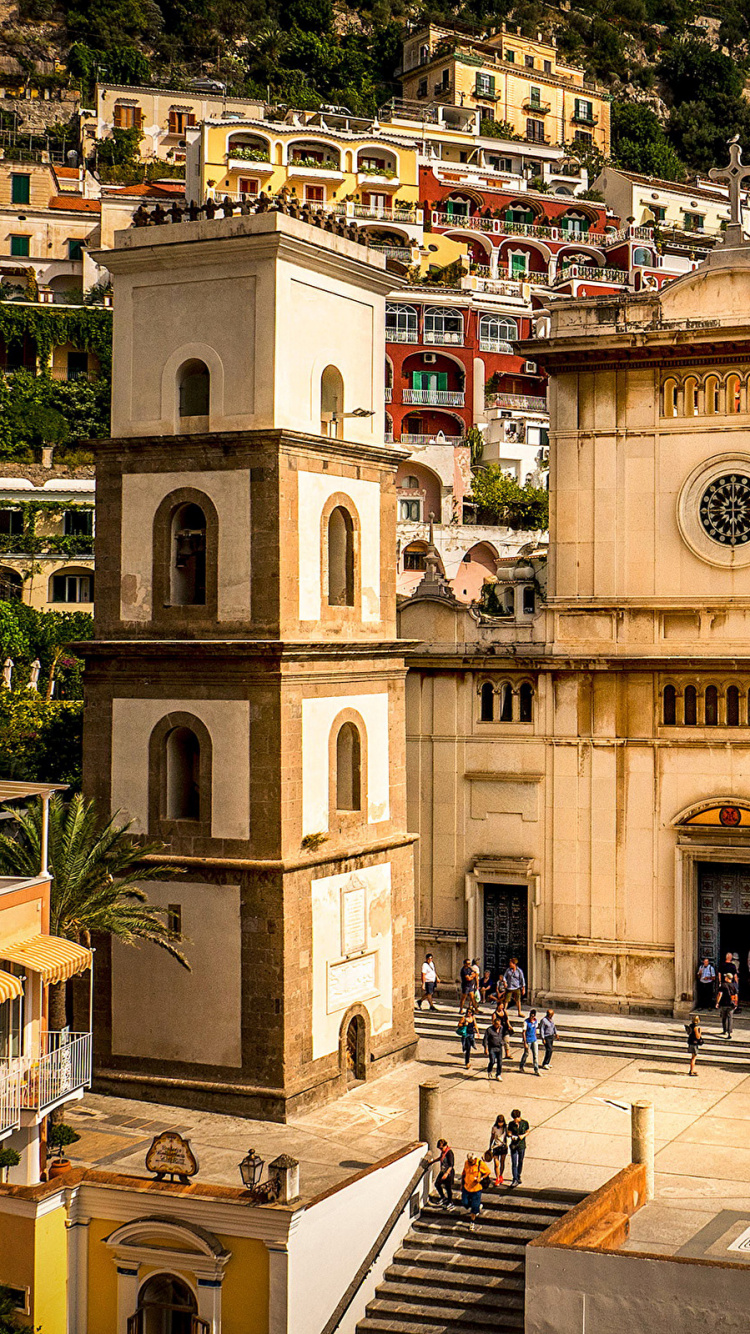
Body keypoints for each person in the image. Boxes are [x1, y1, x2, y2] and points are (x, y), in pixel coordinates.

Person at [461, 1152, 491, 1225]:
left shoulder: (480, 1164)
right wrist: (462, 1184)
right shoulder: (466, 1163)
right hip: (467, 1187)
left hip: (476, 1189)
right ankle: (476, 1207)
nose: (471, 1163)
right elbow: (464, 1173)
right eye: (469, 1161)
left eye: (472, 1161)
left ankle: (472, 1222)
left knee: (474, 1207)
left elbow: (488, 1172)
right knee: (465, 1203)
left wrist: (481, 1178)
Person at [508, 1109, 530, 1188]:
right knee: (514, 1163)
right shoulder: (511, 1124)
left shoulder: (524, 1123)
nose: (515, 1120)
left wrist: (523, 1135)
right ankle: (515, 1179)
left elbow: (528, 1131)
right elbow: (509, 1132)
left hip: (521, 1145)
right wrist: (511, 1136)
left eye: (516, 1118)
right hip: (514, 1145)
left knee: (520, 1161)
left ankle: (518, 1175)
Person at [433, 1138, 455, 1209]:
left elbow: (451, 1165)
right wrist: (433, 1161)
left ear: (445, 1146)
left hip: (448, 1173)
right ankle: (443, 1197)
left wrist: (446, 1173)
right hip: (442, 1171)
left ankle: (450, 1202)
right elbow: (440, 1158)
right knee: (437, 1184)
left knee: (448, 1188)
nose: (440, 1149)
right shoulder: (443, 1152)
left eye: (441, 1148)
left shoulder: (449, 1153)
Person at [519, 1009, 541, 1075]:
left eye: (533, 1016)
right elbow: (523, 1032)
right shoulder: (526, 1022)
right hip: (528, 1040)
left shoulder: (535, 1021)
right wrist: (525, 1042)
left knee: (535, 1055)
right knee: (526, 1054)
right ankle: (521, 1066)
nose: (532, 1017)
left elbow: (535, 1030)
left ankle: (536, 1069)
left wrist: (536, 1037)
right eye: (531, 1016)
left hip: (534, 1040)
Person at [716, 972, 738, 1037]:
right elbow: (736, 995)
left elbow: (720, 994)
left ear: (727, 978)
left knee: (724, 1018)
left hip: (724, 1004)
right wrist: (736, 1004)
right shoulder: (734, 986)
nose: (724, 978)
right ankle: (729, 1032)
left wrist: (717, 1002)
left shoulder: (723, 985)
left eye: (725, 977)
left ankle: (725, 1030)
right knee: (730, 1018)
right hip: (731, 1004)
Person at [488, 1114, 508, 1185]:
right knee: (496, 1163)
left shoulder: (505, 1128)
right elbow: (492, 1137)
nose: (500, 1123)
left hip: (503, 1147)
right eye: (499, 1122)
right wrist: (490, 1147)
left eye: (502, 1122)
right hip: (496, 1147)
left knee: (502, 1162)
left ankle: (500, 1175)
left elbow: (508, 1135)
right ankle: (497, 1177)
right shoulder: (494, 1128)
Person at [483, 1015, 504, 1080]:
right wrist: (485, 1048)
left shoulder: (501, 1028)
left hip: (499, 1047)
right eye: (497, 1024)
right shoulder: (489, 1030)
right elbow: (485, 1039)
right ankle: (489, 1071)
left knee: (500, 1062)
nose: (498, 1026)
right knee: (492, 1061)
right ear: (494, 1024)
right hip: (492, 1047)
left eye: (499, 1024)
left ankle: (498, 1074)